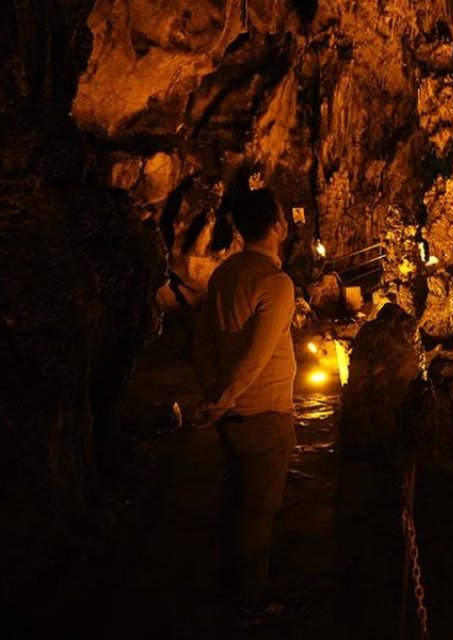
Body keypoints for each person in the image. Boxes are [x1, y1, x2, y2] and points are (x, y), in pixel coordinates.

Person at [191, 188, 303, 625]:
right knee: (259, 508)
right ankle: (252, 599)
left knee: (235, 497)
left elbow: (201, 339)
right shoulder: (275, 282)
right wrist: (224, 399)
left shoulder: (225, 274)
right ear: (278, 225)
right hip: (263, 413)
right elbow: (257, 356)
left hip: (233, 414)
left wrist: (213, 393)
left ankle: (231, 576)